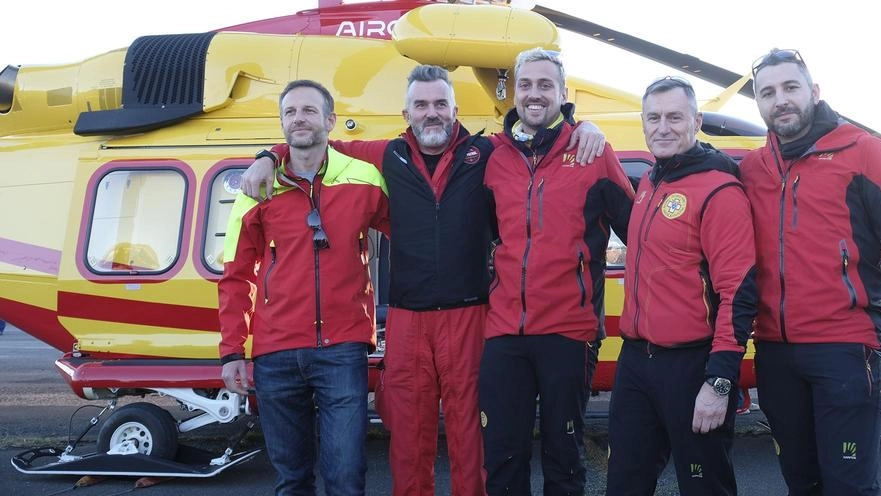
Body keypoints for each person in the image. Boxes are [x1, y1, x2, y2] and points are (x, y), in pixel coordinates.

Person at [240, 66, 607, 496]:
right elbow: (315, 143)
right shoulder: (384, 155)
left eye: (439, 104)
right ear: (407, 112)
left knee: (472, 437)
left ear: (454, 109)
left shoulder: (489, 153)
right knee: (408, 440)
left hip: (469, 315)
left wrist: (585, 126)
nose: (431, 113)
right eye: (421, 105)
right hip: (407, 320)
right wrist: (268, 153)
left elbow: (538, 133)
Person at [217, 79, 390, 496]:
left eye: (310, 111)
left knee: (346, 477)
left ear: (330, 120)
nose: (299, 119)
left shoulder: (365, 178)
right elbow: (236, 275)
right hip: (276, 352)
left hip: (343, 349)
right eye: (291, 112)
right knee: (291, 480)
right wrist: (231, 352)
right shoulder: (257, 187)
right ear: (281, 123)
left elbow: (414, 238)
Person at [479, 47, 634, 496]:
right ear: (513, 93)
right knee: (503, 457)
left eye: (545, 85)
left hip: (570, 331)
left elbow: (640, 230)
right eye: (526, 84)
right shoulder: (493, 156)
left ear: (563, 93)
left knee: (564, 456)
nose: (534, 94)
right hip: (505, 332)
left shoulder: (592, 151)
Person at [604, 76, 757, 496]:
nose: (663, 127)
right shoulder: (652, 181)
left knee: (705, 485)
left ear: (696, 121)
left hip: (690, 367)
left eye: (675, 117)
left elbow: (738, 292)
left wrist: (720, 381)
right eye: (653, 117)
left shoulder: (719, 190)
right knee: (624, 482)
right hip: (637, 362)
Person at [742, 48, 881, 495]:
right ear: (759, 103)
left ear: (814, 92)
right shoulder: (750, 169)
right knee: (800, 480)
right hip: (775, 353)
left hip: (844, 346)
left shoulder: (864, 153)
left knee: (848, 485)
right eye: (768, 92)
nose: (779, 99)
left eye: (789, 88)